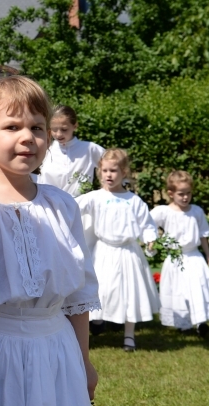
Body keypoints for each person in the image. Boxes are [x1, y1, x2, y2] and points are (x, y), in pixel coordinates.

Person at [0, 76, 100, 405]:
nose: (27, 137)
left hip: (58, 350)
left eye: (37, 128)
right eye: (12, 127)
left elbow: (77, 295)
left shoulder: (60, 205)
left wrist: (84, 362)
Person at [75, 149, 159, 352]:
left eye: (113, 170)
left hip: (128, 254)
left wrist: (150, 240)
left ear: (124, 172)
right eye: (104, 170)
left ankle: (129, 335)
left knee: (129, 293)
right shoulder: (95, 197)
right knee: (100, 291)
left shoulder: (134, 201)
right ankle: (92, 326)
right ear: (99, 172)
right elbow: (72, 207)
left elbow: (147, 224)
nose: (108, 175)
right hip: (103, 253)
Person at [150, 171, 209, 335]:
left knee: (198, 288)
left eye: (188, 193)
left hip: (194, 257)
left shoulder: (196, 211)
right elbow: (147, 223)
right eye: (181, 194)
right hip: (175, 259)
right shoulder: (164, 212)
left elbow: (203, 235)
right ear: (171, 194)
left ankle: (200, 322)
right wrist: (153, 240)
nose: (185, 197)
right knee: (179, 290)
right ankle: (183, 324)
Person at [37, 105, 104, 197]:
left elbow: (115, 164)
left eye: (64, 129)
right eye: (54, 129)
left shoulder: (89, 149)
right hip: (50, 205)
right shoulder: (46, 149)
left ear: (75, 126)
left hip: (80, 206)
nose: (59, 134)